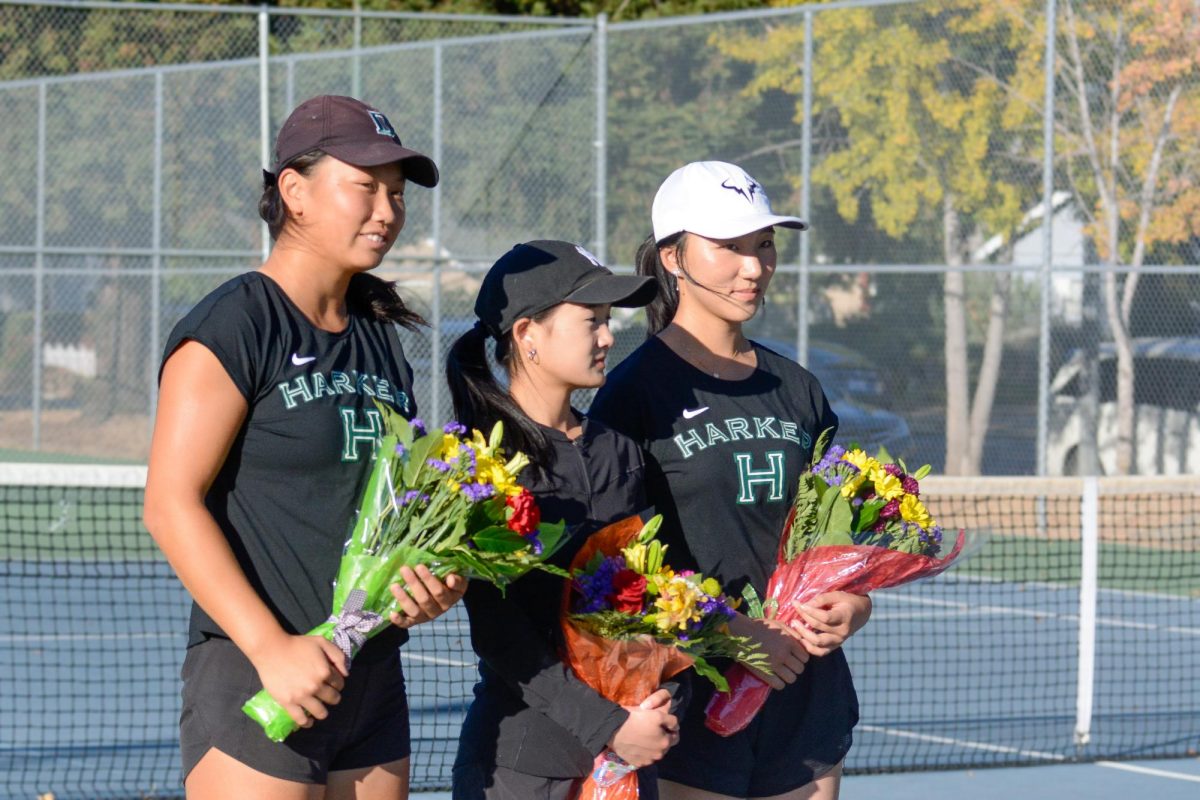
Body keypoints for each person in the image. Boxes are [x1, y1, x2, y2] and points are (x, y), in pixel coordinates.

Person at [143, 95, 466, 800]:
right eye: (365, 187)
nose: (387, 210)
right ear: (294, 190)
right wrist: (272, 650)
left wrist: (431, 583)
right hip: (259, 672)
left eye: (397, 194)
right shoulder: (235, 325)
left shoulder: (381, 338)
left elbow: (389, 510)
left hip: (371, 682)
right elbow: (170, 505)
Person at [589, 161, 873, 800]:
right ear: (673, 256)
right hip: (695, 701)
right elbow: (615, 573)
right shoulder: (631, 394)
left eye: (764, 245)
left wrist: (853, 605)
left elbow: (836, 535)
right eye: (729, 247)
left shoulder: (797, 388)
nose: (754, 267)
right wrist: (729, 633)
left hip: (806, 701)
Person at [445, 240, 683, 800]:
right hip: (523, 767)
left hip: (627, 759)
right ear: (528, 334)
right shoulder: (483, 466)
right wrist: (610, 727)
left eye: (608, 321)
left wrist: (653, 695)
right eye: (591, 321)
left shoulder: (620, 452)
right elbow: (501, 635)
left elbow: (654, 595)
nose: (608, 337)